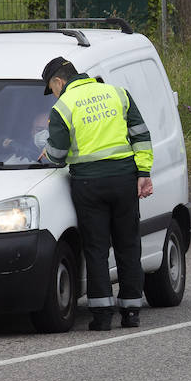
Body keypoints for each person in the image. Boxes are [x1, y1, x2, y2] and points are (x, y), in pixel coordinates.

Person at [41, 57, 154, 330]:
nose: (53, 94)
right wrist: (143, 173)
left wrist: (47, 149)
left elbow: (57, 157)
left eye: (52, 88)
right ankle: (131, 312)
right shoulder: (118, 94)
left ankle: (102, 316)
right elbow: (141, 135)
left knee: (96, 248)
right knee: (128, 245)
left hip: (89, 185)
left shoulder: (63, 107)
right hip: (124, 179)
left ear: (59, 81)